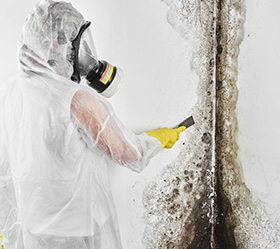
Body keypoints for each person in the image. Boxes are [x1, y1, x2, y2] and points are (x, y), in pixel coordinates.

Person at [0, 0, 186, 248]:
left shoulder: (9, 91)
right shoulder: (77, 100)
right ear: (56, 43)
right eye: (74, 40)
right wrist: (160, 139)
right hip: (74, 235)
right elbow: (129, 154)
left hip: (32, 233)